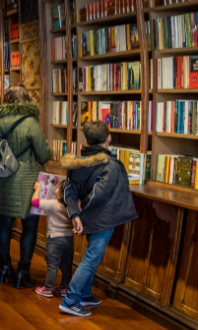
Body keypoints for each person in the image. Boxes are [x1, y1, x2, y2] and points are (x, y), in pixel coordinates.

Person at [59, 121, 137, 317]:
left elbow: (69, 189)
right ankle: (71, 299)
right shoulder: (110, 165)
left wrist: (75, 213)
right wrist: (81, 209)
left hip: (86, 219)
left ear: (86, 140)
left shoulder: (78, 162)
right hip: (102, 219)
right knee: (92, 258)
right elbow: (99, 195)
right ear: (108, 138)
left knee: (93, 255)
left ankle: (84, 293)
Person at [0, 84, 50, 289]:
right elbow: (44, 155)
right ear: (25, 99)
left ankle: (5, 268)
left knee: (4, 224)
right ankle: (23, 273)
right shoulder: (30, 122)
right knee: (29, 226)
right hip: (26, 179)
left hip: (1, 177)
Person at [31, 179, 73, 298]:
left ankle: (48, 288)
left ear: (59, 193)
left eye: (58, 187)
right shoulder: (74, 205)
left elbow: (35, 202)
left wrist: (38, 188)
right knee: (66, 265)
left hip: (55, 239)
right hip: (69, 239)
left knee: (52, 266)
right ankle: (65, 288)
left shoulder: (53, 204)